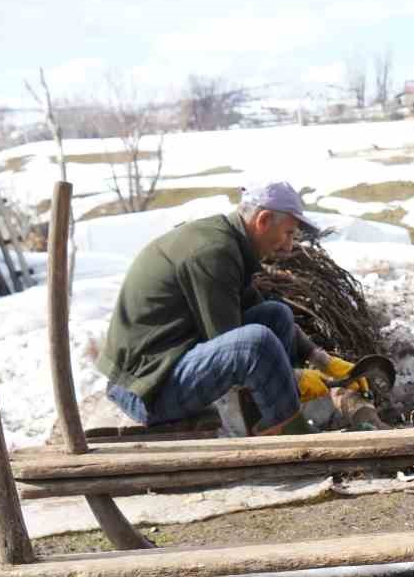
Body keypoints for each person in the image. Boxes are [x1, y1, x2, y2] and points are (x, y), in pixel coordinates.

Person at [96, 180, 359, 436]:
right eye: (289, 233)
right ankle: (290, 434)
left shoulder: (227, 242)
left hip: (166, 365)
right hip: (145, 390)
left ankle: (269, 417)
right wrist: (295, 377)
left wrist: (322, 360)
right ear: (264, 220)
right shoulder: (213, 252)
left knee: (276, 315)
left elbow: (258, 308)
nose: (290, 245)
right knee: (255, 343)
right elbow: (234, 342)